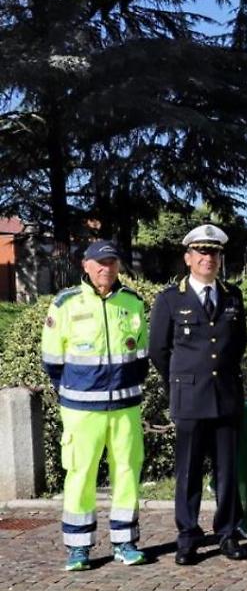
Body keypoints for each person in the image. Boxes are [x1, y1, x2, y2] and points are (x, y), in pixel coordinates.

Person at [41, 240, 149, 571]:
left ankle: (125, 542)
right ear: (86, 266)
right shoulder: (66, 304)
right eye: (100, 262)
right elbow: (52, 360)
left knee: (127, 472)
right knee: (80, 474)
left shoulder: (133, 302)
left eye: (112, 262)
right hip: (82, 407)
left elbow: (141, 355)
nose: (107, 268)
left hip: (124, 407)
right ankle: (78, 548)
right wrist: (72, 391)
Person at [150, 224, 247, 565]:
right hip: (190, 398)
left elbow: (238, 344)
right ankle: (188, 535)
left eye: (214, 253)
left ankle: (227, 532)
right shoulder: (169, 299)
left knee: (227, 471)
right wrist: (180, 383)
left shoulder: (232, 296)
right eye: (202, 252)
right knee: (189, 471)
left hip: (225, 396)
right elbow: (158, 351)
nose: (208, 258)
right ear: (188, 257)